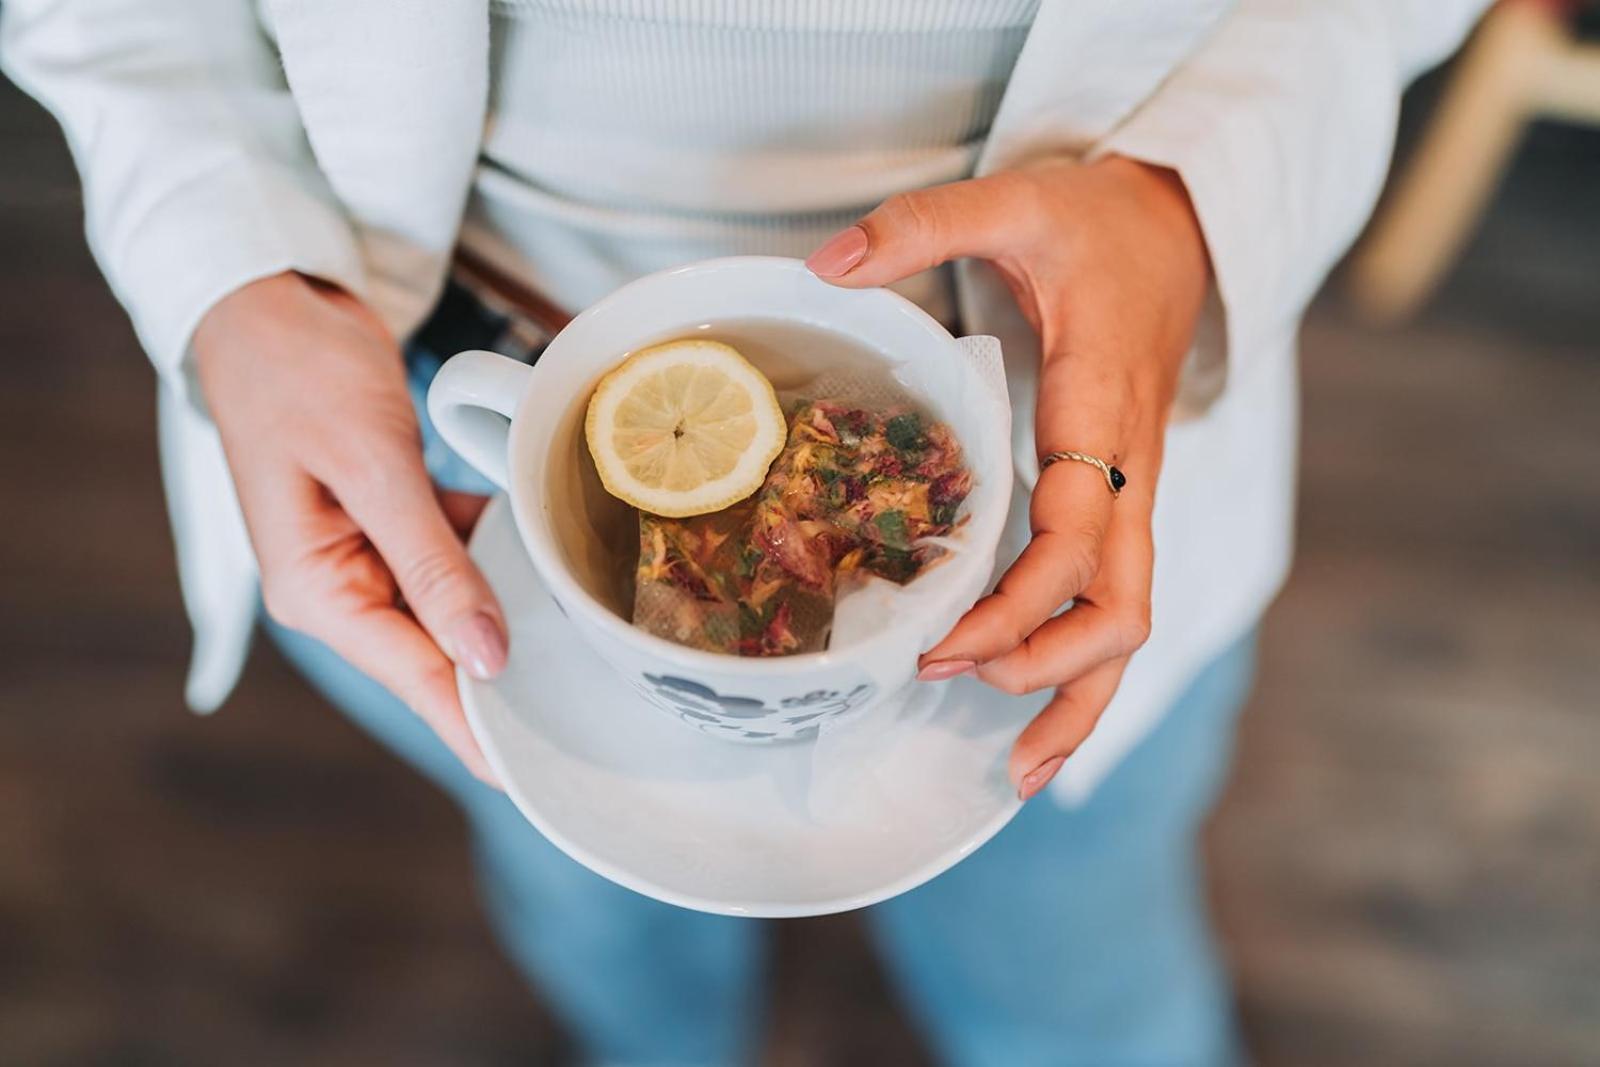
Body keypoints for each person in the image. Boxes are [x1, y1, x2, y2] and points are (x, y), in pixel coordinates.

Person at [2, 2, 1490, 1063]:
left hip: (1076, 461)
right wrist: (225, 262)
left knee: (1077, 975)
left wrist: (1190, 198)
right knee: (599, 918)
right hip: (420, 454)